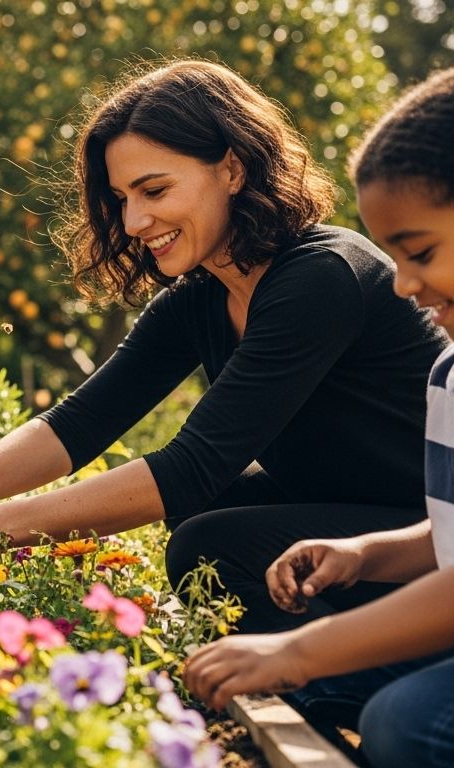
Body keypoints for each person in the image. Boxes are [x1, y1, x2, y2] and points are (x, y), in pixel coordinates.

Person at [0, 60, 447, 638]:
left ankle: (347, 685)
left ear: (232, 170)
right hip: (352, 511)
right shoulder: (205, 294)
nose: (133, 221)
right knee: (209, 512)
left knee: (205, 543)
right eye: (121, 198)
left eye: (153, 189)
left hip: (426, 537)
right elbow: (77, 425)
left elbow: (191, 465)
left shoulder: (323, 276)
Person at [185, 68, 454, 766]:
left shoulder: (321, 276)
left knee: (404, 724)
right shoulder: (450, 374)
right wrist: (367, 555)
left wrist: (297, 651)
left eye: (421, 252)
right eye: (393, 256)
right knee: (315, 698)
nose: (403, 283)